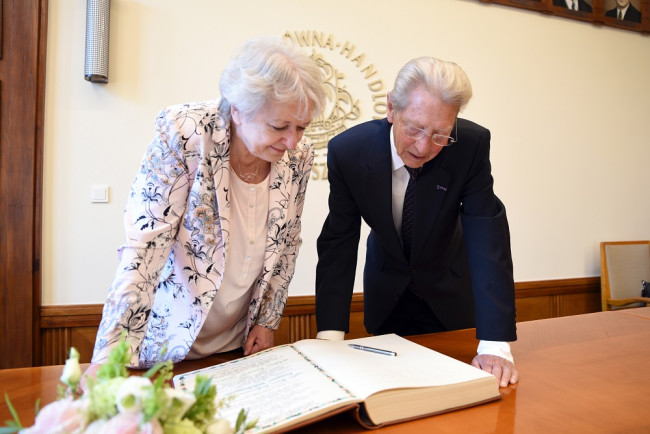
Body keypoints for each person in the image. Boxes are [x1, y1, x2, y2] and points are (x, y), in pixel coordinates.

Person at [90, 36, 326, 369]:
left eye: (302, 127)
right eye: (279, 126)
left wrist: (267, 319)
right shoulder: (186, 134)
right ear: (240, 111)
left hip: (237, 347)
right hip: (165, 346)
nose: (292, 141)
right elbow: (145, 247)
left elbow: (287, 242)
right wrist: (108, 357)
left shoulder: (298, 157)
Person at [315, 56, 519, 387]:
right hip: (387, 299)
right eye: (414, 129)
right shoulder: (348, 152)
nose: (424, 147)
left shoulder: (470, 146)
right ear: (392, 109)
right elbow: (339, 241)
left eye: (440, 134)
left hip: (452, 297)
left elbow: (487, 235)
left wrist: (496, 345)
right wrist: (330, 337)